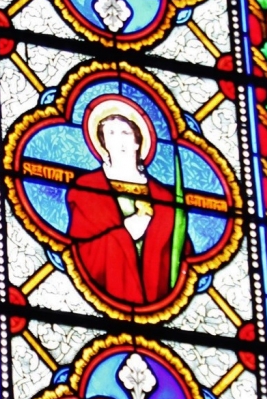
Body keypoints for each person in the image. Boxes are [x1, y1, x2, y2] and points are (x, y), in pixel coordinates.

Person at [66, 99, 189, 308]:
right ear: (102, 142)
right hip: (102, 302)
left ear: (137, 141)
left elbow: (180, 255)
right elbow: (79, 253)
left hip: (160, 304)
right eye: (110, 134)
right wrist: (125, 234)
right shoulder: (86, 188)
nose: (118, 141)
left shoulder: (165, 198)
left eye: (125, 133)